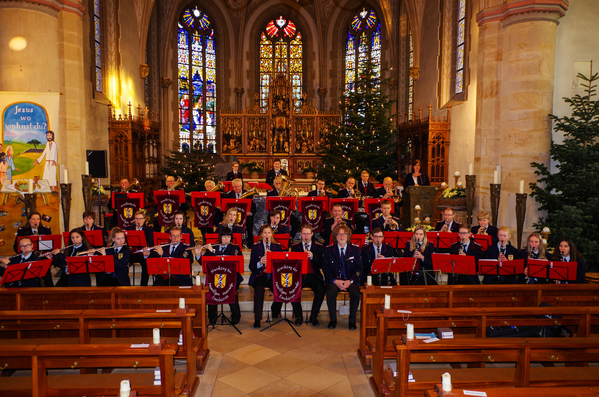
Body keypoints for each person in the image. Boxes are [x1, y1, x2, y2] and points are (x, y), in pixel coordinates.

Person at [197, 227, 242, 325]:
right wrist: (198, 255)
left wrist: (214, 252)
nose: (226, 239)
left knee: (232, 291)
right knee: (211, 290)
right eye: (224, 236)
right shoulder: (213, 246)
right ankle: (212, 317)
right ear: (220, 237)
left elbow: (229, 261)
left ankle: (235, 316)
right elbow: (203, 262)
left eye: (228, 236)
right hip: (215, 277)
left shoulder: (235, 248)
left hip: (231, 277)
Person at [323, 224, 362, 330]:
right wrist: (335, 281)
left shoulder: (355, 250)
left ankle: (352, 321)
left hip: (350, 280)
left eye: (344, 234)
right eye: (339, 234)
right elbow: (326, 269)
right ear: (335, 236)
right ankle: (332, 320)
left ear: (348, 236)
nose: (342, 236)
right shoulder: (329, 250)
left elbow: (359, 269)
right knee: (330, 293)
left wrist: (351, 280)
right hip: (335, 280)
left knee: (355, 293)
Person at [290, 225, 326, 326]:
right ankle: (299, 316)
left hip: (314, 275)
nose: (306, 236)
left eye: (308, 234)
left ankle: (313, 316)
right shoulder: (295, 247)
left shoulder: (318, 247)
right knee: (293, 289)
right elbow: (292, 265)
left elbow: (322, 264)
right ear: (300, 234)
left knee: (321, 290)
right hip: (300, 275)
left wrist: (313, 257)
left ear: (312, 234)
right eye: (304, 234)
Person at [248, 225, 283, 328]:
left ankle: (275, 310)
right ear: (262, 234)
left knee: (280, 287)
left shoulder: (277, 247)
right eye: (265, 233)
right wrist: (260, 262)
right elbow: (251, 266)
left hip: (272, 274)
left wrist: (273, 259)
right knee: (259, 289)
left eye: (269, 233)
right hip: (259, 274)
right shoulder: (255, 247)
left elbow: (281, 265)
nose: (267, 235)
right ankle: (257, 318)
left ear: (272, 234)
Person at [223, 178, 256, 246]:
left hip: (245, 215)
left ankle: (250, 242)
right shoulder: (229, 195)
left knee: (249, 220)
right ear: (232, 187)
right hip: (233, 216)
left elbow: (253, 207)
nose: (237, 188)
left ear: (241, 186)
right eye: (235, 187)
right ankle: (230, 241)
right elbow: (225, 207)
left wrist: (250, 213)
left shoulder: (248, 193)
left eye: (238, 186)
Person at [125, 211, 154, 286]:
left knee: (146, 265)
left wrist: (145, 247)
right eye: (137, 219)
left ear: (144, 220)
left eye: (140, 219)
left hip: (142, 253)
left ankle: (143, 286)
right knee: (122, 261)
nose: (138, 221)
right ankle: (125, 284)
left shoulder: (149, 229)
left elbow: (151, 242)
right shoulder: (129, 228)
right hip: (132, 253)